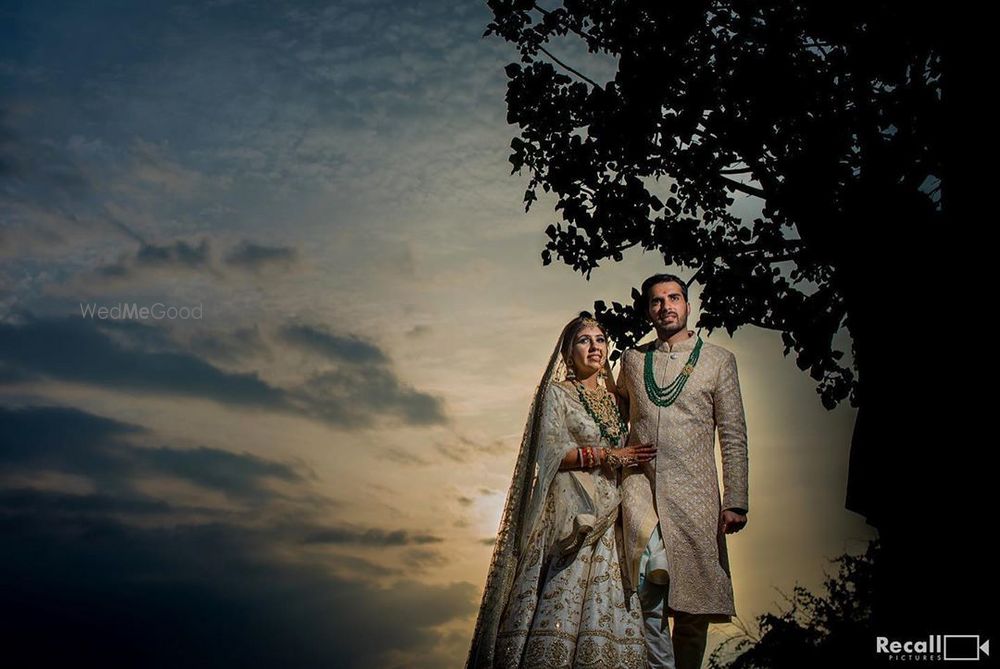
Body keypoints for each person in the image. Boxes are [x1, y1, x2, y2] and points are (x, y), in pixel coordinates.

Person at [466, 313, 659, 669]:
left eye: (600, 339)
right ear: (568, 353)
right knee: (561, 600)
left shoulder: (617, 402)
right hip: (571, 516)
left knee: (611, 605)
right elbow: (551, 451)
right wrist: (610, 455)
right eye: (584, 341)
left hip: (612, 516)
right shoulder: (557, 394)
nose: (595, 347)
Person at [616, 274, 749, 669]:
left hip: (697, 494)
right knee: (646, 583)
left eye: (674, 298)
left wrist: (736, 500)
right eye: (657, 301)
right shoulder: (633, 359)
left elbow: (732, 432)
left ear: (688, 306)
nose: (666, 306)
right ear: (648, 310)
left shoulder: (719, 361)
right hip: (640, 486)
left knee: (692, 606)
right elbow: (613, 411)